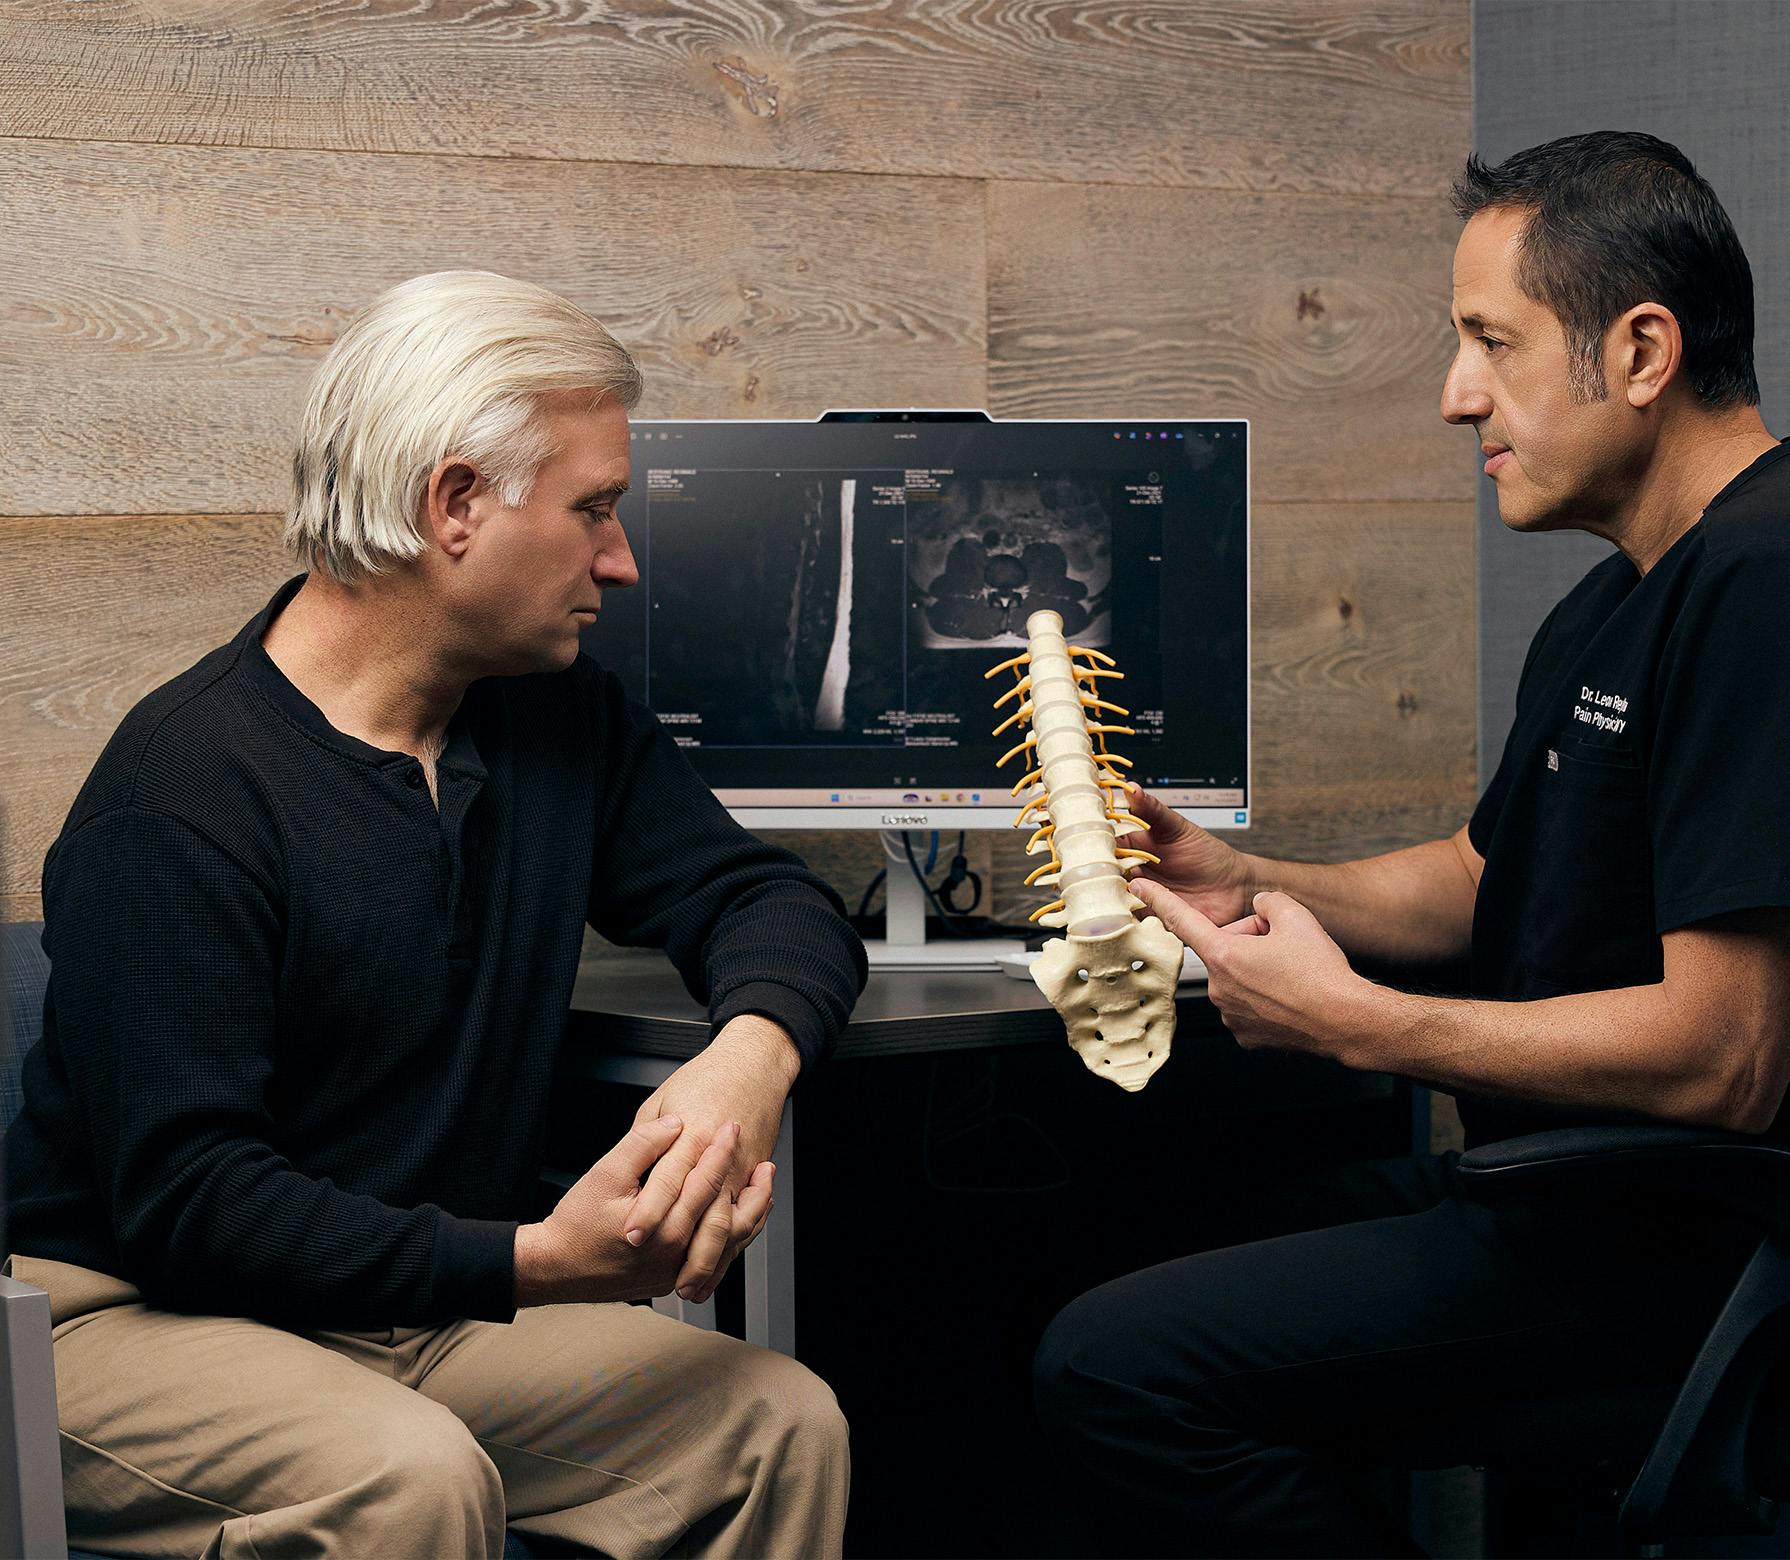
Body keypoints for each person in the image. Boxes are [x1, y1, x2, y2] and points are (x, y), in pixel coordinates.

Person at [4, 270, 866, 1559]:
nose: (621, 561)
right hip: (130, 1316)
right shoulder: (183, 790)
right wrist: (532, 1262)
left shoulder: (554, 719)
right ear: (455, 505)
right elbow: (192, 1206)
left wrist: (752, 1055)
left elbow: (764, 897)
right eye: (594, 510)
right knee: (414, 1479)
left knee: (775, 1422)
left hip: (413, 1309)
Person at [1034, 131, 1790, 1556]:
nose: (1456, 396)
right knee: (1130, 1241)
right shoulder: (1618, 595)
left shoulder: (1764, 579)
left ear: (1640, 352)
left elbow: (1728, 1054)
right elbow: (1483, 877)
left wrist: (1362, 1026)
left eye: (1491, 343)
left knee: (1115, 1370)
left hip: (1678, 1245)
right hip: (1557, 1193)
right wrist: (1245, 878)